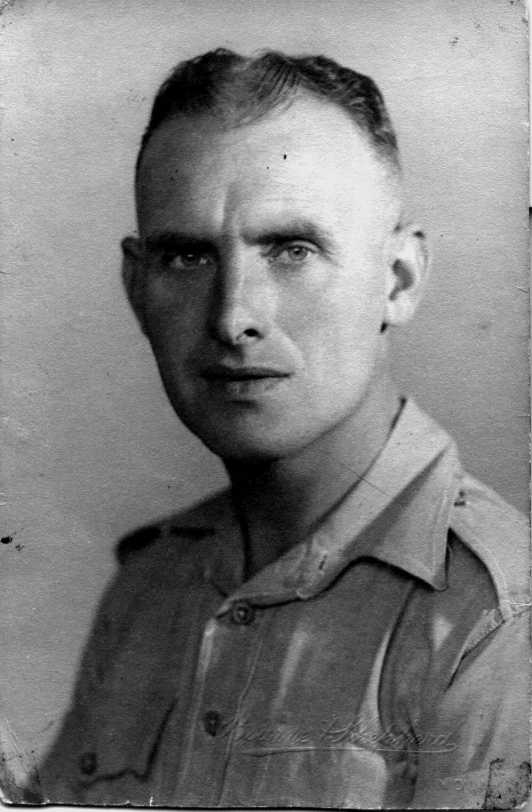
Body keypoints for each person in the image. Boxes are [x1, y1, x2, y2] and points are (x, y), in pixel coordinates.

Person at [36, 49, 530, 808]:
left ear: (397, 280)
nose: (233, 316)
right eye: (188, 256)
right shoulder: (148, 588)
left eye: (292, 251)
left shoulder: (496, 620)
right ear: (137, 288)